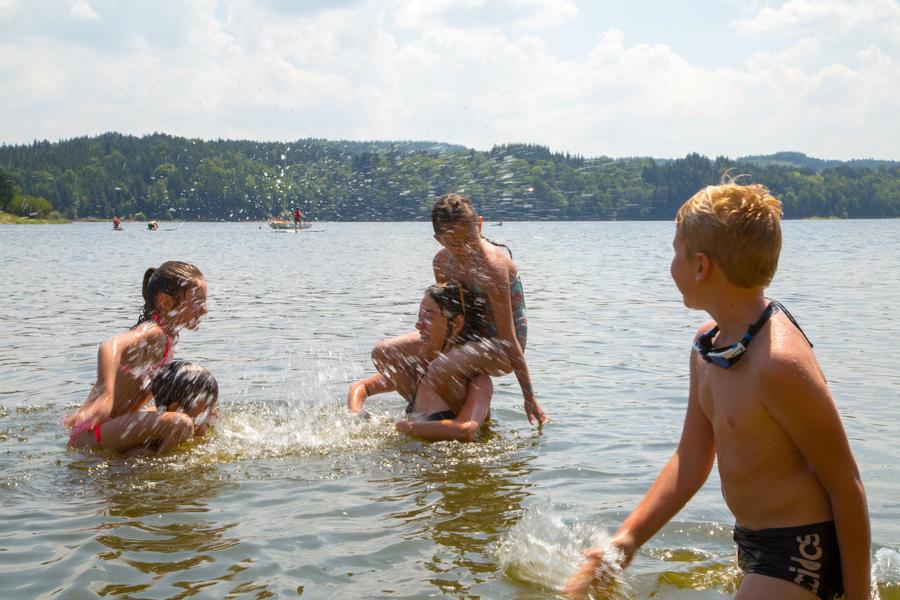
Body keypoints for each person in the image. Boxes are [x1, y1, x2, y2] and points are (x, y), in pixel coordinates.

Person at [564, 182, 870, 599]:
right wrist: (626, 541)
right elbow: (691, 458)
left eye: (676, 251)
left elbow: (845, 482)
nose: (670, 264)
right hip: (752, 542)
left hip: (803, 548)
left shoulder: (777, 364)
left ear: (700, 266)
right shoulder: (709, 347)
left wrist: (859, 596)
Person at [371, 193, 546, 425]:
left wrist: (529, 396)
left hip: (500, 347)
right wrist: (428, 346)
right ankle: (426, 412)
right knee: (384, 353)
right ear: (439, 240)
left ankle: (468, 422)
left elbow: (508, 337)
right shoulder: (442, 263)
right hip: (463, 333)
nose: (464, 248)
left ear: (480, 224)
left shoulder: (493, 268)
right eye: (453, 243)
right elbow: (447, 316)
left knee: (441, 365)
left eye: (469, 239)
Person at [65, 261, 209, 455]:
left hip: (117, 426)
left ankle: (139, 461)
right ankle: (161, 471)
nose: (205, 309)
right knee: (179, 424)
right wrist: (105, 396)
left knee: (198, 415)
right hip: (93, 431)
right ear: (166, 302)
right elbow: (110, 346)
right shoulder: (153, 331)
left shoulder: (167, 336)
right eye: (198, 301)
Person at [348, 281, 493, 442]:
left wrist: (399, 427)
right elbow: (361, 387)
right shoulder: (418, 369)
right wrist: (356, 415)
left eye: (429, 317)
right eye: (419, 316)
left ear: (457, 323)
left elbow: (466, 429)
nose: (418, 325)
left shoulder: (478, 381)